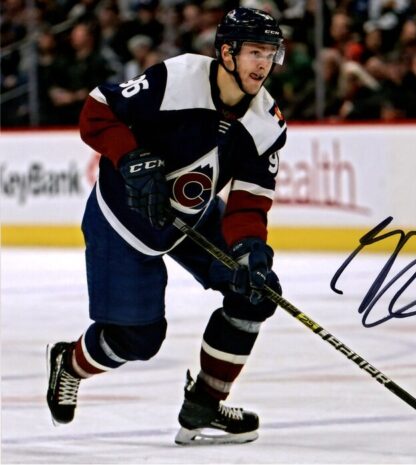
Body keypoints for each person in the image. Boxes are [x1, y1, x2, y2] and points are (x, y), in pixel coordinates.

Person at [45, 7, 286, 446]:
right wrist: (130, 157)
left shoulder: (266, 123)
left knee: (256, 290)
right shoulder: (178, 78)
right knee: (138, 339)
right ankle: (71, 363)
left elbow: (249, 201)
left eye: (270, 54)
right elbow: (97, 111)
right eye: (255, 52)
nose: (264, 64)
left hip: (192, 215)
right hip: (122, 219)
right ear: (227, 53)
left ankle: (205, 406)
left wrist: (250, 248)